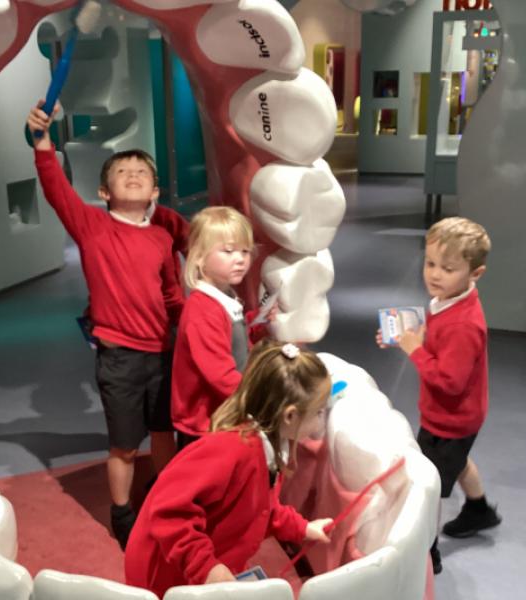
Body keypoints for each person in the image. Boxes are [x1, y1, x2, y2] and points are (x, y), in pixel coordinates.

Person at [27, 102, 186, 549]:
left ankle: (165, 497)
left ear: (155, 192)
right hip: (119, 357)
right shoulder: (92, 226)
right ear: (103, 191)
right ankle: (122, 514)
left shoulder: (161, 237)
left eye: (142, 172)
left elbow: (172, 294)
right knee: (123, 444)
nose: (133, 174)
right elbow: (56, 187)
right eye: (122, 171)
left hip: (162, 352)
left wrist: (187, 331)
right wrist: (43, 141)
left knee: (164, 432)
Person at [125, 340, 333, 597]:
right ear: (290, 416)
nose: (321, 420)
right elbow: (169, 510)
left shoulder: (269, 448)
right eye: (318, 412)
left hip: (202, 570)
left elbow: (263, 507)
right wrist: (205, 567)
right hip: (169, 575)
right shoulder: (232, 450)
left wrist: (303, 528)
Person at [377, 216, 500, 574]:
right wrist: (407, 338)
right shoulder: (447, 301)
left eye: (448, 268)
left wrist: (415, 350)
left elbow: (449, 381)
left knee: (427, 487)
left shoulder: (464, 324)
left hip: (450, 418)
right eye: (430, 263)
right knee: (457, 462)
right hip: (454, 416)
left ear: (476, 273)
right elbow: (440, 348)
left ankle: (428, 553)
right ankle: (479, 509)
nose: (434, 274)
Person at [171, 206, 275, 449]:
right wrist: (262, 399)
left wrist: (259, 322)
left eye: (245, 251)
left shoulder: (224, 297)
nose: (240, 259)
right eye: (228, 251)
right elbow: (220, 375)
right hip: (208, 423)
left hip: (226, 414)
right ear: (199, 257)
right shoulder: (203, 310)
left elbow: (235, 339)